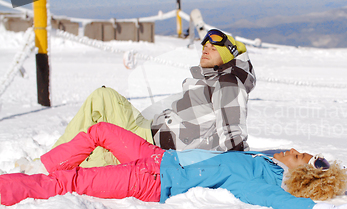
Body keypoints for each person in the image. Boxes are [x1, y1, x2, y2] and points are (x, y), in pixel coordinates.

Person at [0, 122, 347, 209]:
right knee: (101, 131)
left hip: (152, 181)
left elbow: (272, 199)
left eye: (299, 155)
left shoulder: (256, 181)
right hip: (158, 156)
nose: (291, 149)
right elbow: (280, 154)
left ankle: (9, 187)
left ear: (299, 177)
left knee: (68, 182)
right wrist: (342, 170)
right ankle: (39, 166)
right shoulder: (268, 160)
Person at [45, 29, 256, 169]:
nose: (205, 49)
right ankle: (51, 160)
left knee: (98, 156)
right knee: (103, 96)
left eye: (214, 47)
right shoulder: (213, 80)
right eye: (204, 46)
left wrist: (244, 170)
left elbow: (232, 134)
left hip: (152, 147)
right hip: (146, 129)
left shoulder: (228, 83)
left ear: (229, 54)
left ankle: (49, 168)